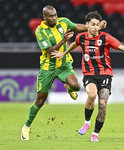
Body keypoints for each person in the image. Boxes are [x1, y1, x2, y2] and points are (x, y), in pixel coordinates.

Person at [51, 11, 124, 142]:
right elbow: (75, 44)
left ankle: (95, 133)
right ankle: (87, 122)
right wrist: (64, 53)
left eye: (97, 24)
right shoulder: (81, 37)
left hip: (105, 74)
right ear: (87, 25)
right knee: (91, 95)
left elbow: (123, 47)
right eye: (93, 24)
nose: (96, 27)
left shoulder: (106, 37)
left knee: (102, 105)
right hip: (89, 74)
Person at [21, 6, 107, 140]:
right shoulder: (41, 31)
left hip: (64, 65)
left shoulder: (63, 22)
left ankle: (68, 86)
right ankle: (26, 127)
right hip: (48, 68)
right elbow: (51, 51)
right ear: (45, 17)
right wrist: (64, 40)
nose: (54, 18)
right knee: (40, 101)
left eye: (55, 15)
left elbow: (77, 27)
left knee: (77, 86)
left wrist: (94, 27)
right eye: (50, 16)